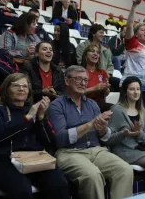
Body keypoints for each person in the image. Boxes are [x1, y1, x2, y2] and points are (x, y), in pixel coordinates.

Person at [47, 65, 134, 199]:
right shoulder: (56, 106)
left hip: (96, 150)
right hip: (69, 152)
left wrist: (103, 128)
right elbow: (61, 138)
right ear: (66, 81)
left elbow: (104, 137)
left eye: (85, 80)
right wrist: (91, 124)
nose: (83, 83)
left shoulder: (92, 104)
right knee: (92, 175)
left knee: (125, 170)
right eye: (78, 79)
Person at [0, 73, 70, 199]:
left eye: (25, 86)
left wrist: (41, 118)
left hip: (32, 160)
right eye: (16, 86)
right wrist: (27, 118)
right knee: (22, 190)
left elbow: (50, 142)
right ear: (6, 89)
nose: (21, 89)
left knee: (60, 184)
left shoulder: (33, 110)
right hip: (1, 161)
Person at [77, 24, 119, 91]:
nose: (103, 35)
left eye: (103, 33)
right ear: (93, 34)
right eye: (101, 32)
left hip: (104, 77)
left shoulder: (106, 50)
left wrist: (106, 75)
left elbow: (110, 66)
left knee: (122, 84)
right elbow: (80, 62)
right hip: (88, 75)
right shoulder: (82, 46)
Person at [81, 43, 111, 112]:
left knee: (115, 109)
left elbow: (106, 94)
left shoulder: (103, 72)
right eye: (92, 51)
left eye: (97, 52)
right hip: (84, 103)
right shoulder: (80, 71)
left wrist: (106, 89)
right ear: (86, 55)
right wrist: (95, 88)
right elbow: (77, 92)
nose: (95, 54)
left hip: (100, 103)